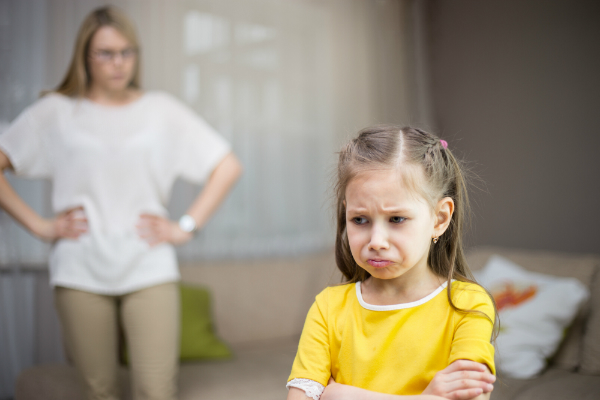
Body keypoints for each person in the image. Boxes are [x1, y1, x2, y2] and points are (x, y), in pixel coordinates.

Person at [0, 6, 242, 400]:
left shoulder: (161, 110)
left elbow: (227, 165)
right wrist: (41, 226)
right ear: (85, 57)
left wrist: (185, 227)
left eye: (127, 52)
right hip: (79, 268)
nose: (118, 63)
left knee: (156, 390)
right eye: (105, 53)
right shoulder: (58, 112)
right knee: (100, 391)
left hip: (149, 264)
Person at [286, 126, 497, 400]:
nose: (376, 241)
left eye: (396, 219)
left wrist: (338, 394)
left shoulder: (468, 304)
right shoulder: (327, 308)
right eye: (359, 220)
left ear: (440, 219)